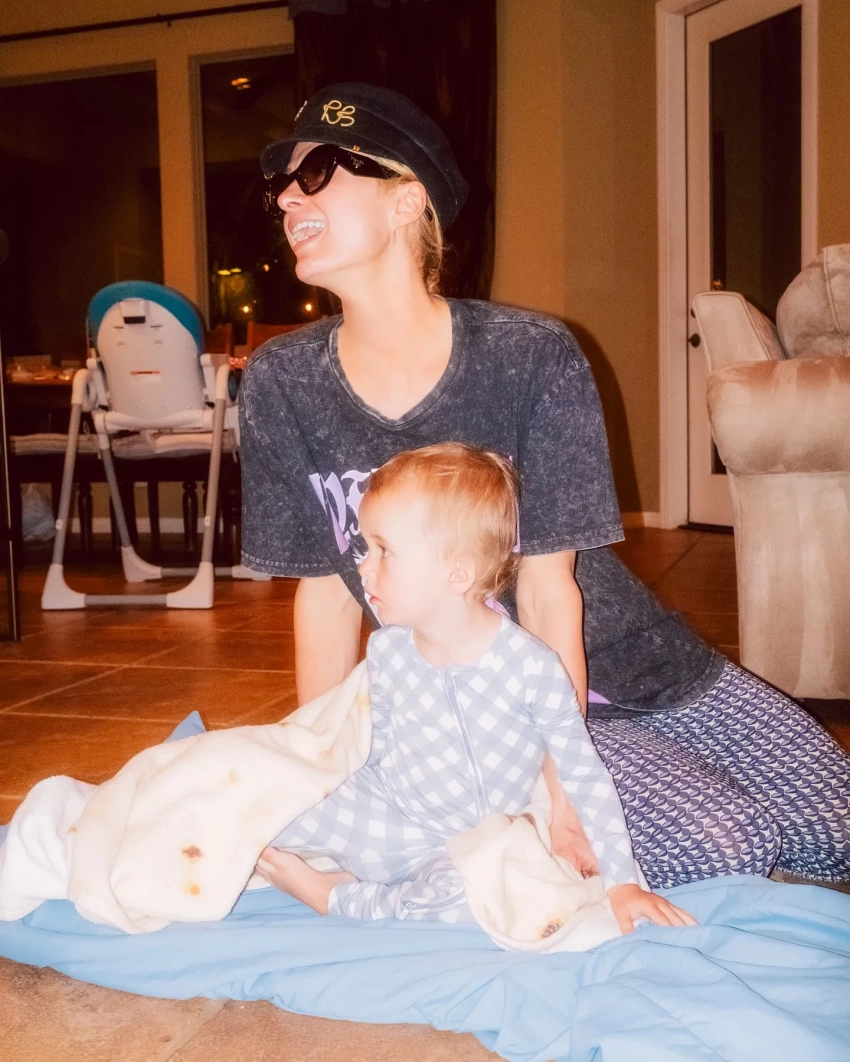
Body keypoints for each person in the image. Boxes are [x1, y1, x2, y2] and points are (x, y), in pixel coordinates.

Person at [240, 82, 850, 891]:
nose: (288, 196)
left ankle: (605, 787)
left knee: (833, 830)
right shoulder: (283, 382)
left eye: (317, 171)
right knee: (727, 845)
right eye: (282, 183)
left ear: (407, 200)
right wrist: (318, 773)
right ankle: (483, 843)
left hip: (640, 662)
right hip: (482, 703)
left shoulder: (530, 356)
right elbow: (325, 595)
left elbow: (548, 587)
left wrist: (570, 783)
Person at [258, 442, 697, 934]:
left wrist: (623, 883)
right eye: (366, 548)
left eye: (384, 551)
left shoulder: (531, 667)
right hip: (388, 815)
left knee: (475, 906)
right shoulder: (387, 650)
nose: (363, 567)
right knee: (255, 805)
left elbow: (584, 774)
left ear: (457, 572)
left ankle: (334, 894)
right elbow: (371, 750)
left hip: (467, 846)